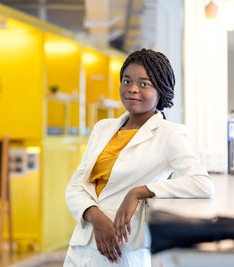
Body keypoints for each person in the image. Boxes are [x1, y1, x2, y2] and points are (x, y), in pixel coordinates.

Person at [64, 48, 213, 266]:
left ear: (160, 90)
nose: (132, 89)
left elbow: (203, 184)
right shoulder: (103, 128)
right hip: (82, 245)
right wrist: (96, 218)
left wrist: (139, 192)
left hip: (122, 249)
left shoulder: (168, 134)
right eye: (126, 81)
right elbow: (76, 187)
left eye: (144, 84)